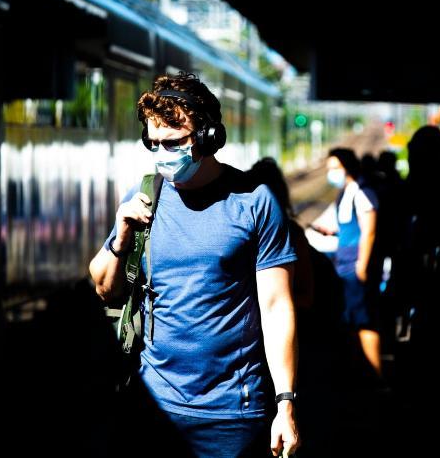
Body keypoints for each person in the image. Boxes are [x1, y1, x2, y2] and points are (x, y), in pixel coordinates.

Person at [88, 73, 300, 457]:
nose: (162, 154)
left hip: (232, 413)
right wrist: (120, 236)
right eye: (152, 143)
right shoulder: (144, 195)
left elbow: (276, 307)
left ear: (208, 138)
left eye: (173, 143)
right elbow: (104, 288)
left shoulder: (254, 201)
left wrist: (285, 401)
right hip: (152, 405)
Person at [311, 148, 382, 376]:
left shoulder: (363, 191)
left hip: (354, 266)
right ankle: (358, 371)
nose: (331, 173)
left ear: (348, 167)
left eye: (335, 168)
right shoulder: (345, 192)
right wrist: (331, 232)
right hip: (344, 264)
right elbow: (350, 228)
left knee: (364, 321)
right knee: (350, 320)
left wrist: (362, 264)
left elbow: (369, 231)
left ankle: (376, 376)